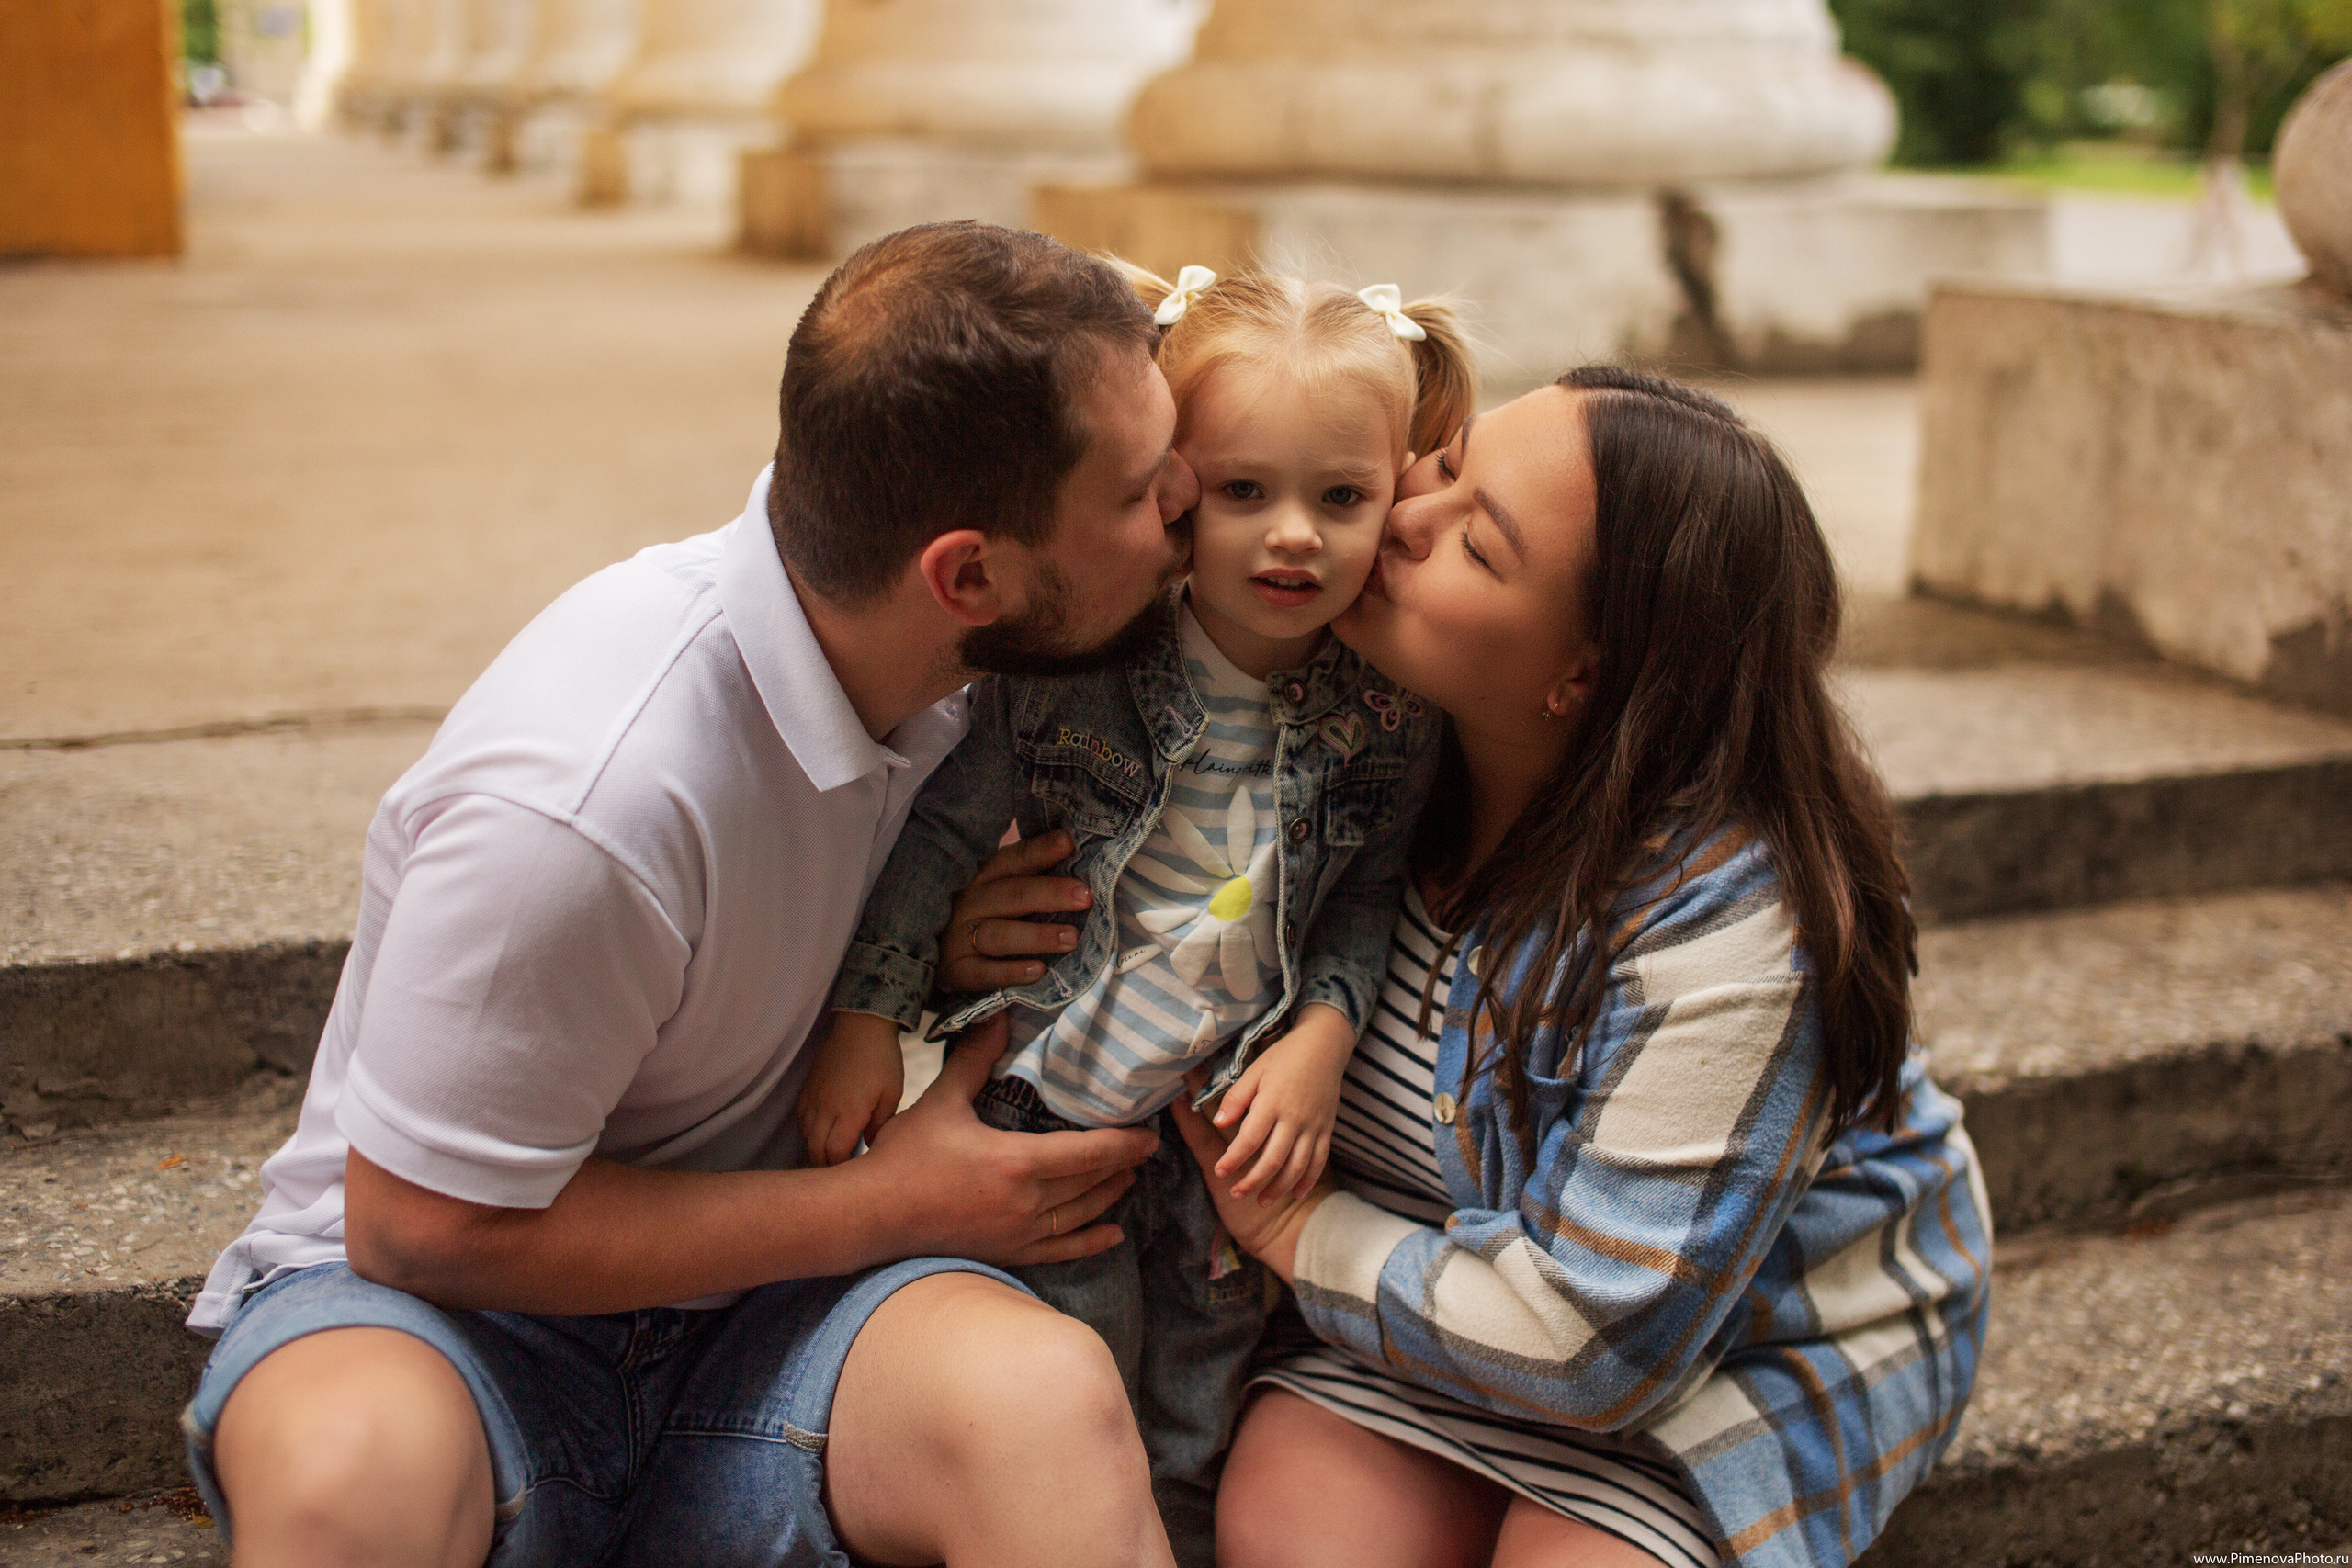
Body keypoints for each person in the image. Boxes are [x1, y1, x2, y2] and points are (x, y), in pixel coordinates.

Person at [175, 222, 1207, 1568]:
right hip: (437, 1325)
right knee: (347, 1477)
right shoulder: (587, 802)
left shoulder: (975, 676)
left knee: (1044, 1406)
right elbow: (420, 1225)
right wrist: (899, 1204)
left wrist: (933, 959)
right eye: (1137, 491)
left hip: (774, 1335)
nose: (1189, 495)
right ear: (967, 575)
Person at [952, 368, 1994, 1568]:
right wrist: (979, 932)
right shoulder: (1347, 733)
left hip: (1739, 1333)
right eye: (1444, 469)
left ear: (1583, 675)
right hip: (1429, 1292)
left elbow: (1598, 1351)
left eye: (1476, 546)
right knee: (1292, 1535)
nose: (1400, 519)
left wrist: (1296, 1231)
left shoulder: (1738, 917)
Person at [794, 263, 1474, 1566]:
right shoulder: (1081, 673)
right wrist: (869, 1014)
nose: (1293, 536)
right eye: (1242, 493)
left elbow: (1364, 892)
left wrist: (1323, 1035)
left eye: (1342, 498)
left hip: (1224, 1137)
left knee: (1193, 1419)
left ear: (1397, 490)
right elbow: (943, 831)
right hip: (1053, 1108)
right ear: (1177, 491)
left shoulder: (1389, 714)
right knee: (1080, 1396)